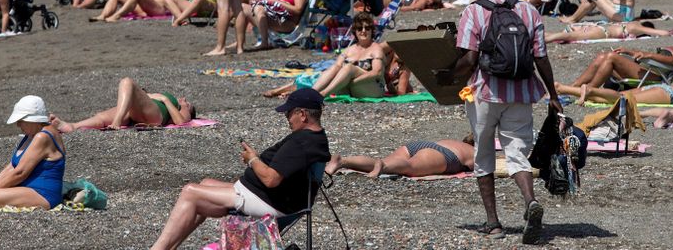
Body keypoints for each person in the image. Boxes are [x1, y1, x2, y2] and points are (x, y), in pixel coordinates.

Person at [451, 0, 562, 243]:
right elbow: (541, 57)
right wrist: (553, 94)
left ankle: (494, 223)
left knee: (483, 154)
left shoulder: (473, 11)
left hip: (485, 93)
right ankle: (530, 201)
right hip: (523, 92)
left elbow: (470, 58)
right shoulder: (529, 10)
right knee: (517, 154)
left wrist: (449, 77)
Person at [150, 88, 330, 250]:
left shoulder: (302, 143)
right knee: (205, 184)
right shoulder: (314, 138)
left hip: (269, 202)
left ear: (303, 114)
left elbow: (271, 179)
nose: (287, 118)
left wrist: (252, 160)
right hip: (265, 195)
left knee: (190, 192)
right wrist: (256, 159)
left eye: (289, 113)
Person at [558, 28, 673, 91]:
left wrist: (648, 55)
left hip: (653, 76)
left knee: (610, 58)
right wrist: (631, 51)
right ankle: (572, 88)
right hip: (647, 69)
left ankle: (589, 91)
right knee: (603, 57)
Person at [558, 57, 673, 105]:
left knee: (617, 98)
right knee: (621, 99)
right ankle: (590, 91)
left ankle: (564, 88)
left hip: (665, 89)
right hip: (669, 96)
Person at [50, 77, 195, 132]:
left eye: (188, 103)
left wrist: (165, 99)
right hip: (142, 112)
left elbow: (181, 122)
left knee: (127, 82)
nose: (185, 99)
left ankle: (117, 122)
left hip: (155, 115)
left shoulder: (180, 106)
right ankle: (72, 126)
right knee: (102, 118)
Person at [325, 136, 474, 178]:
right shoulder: (474, 151)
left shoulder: (454, 141)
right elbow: (483, 169)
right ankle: (383, 167)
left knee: (384, 161)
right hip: (444, 155)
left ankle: (342, 161)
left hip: (421, 144)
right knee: (409, 167)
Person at [243, 0, 308, 50]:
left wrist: (278, 2)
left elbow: (298, 9)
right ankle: (239, 42)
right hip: (270, 16)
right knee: (243, 7)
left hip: (287, 22)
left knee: (259, 8)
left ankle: (265, 43)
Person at [546, 20, 673, 43]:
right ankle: (545, 39)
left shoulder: (630, 23)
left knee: (568, 35)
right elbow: (653, 32)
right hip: (603, 32)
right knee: (569, 36)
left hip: (598, 27)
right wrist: (669, 32)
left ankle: (540, 35)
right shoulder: (635, 28)